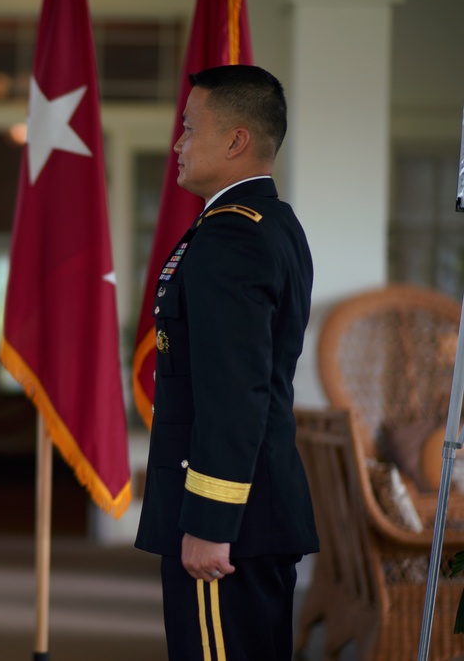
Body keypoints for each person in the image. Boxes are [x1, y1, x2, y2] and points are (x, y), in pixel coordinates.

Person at [134, 64, 318, 661]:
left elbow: (234, 389)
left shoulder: (231, 237)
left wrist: (211, 519)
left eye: (189, 128)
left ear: (237, 140)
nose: (178, 144)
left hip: (229, 523)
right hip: (252, 509)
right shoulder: (270, 224)